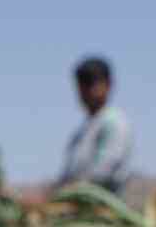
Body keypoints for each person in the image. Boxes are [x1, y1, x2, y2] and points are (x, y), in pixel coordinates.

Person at [53, 57, 134, 193]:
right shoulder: (82, 132)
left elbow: (101, 174)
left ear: (108, 84)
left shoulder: (113, 123)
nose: (86, 91)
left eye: (91, 83)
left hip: (99, 209)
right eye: (81, 85)